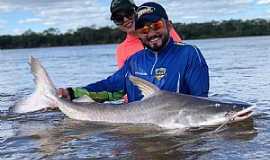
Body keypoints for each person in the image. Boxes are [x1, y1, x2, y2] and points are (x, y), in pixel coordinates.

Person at [58, 2, 209, 103]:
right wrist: (71, 93)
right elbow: (111, 87)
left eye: (156, 25)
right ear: (137, 33)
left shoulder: (189, 54)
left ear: (169, 26)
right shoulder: (133, 61)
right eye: (143, 30)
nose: (151, 33)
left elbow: (201, 102)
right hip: (138, 125)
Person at [110, 0, 182, 68]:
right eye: (118, 18)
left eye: (128, 13)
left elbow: (181, 57)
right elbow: (124, 78)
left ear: (137, 12)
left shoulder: (161, 28)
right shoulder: (121, 49)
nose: (125, 20)